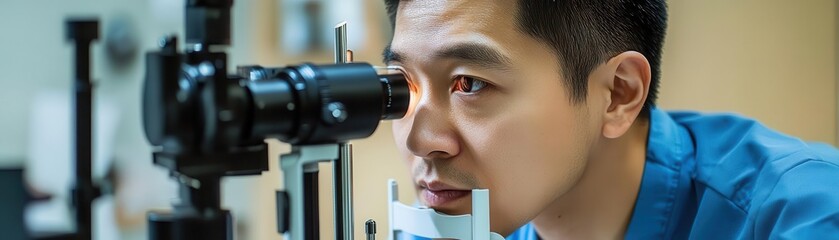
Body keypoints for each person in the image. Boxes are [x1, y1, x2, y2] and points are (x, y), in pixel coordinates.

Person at [381, 0, 839, 239]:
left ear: (619, 93)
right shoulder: (457, 221)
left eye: (469, 84)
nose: (421, 140)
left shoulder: (800, 216)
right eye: (402, 85)